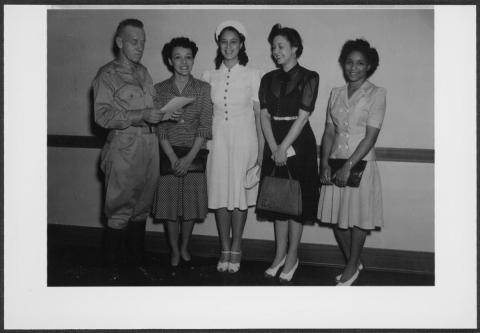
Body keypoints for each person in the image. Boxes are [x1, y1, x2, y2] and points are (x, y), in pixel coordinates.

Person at [92, 19, 177, 281]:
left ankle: (135, 266)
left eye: (143, 42)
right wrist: (142, 114)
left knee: (141, 209)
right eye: (134, 41)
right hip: (123, 148)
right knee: (119, 211)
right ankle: (111, 273)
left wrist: (165, 114)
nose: (140, 47)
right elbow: (102, 115)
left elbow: (150, 110)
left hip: (149, 148)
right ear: (120, 42)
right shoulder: (107, 75)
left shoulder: (144, 73)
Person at [317, 39, 386, 286]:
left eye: (360, 63)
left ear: (369, 66)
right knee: (337, 220)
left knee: (356, 219)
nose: (354, 67)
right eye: (349, 62)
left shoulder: (377, 93)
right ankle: (353, 262)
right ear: (343, 64)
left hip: (361, 164)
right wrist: (324, 162)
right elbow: (328, 131)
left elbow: (371, 136)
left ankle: (352, 265)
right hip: (334, 162)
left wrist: (348, 166)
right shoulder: (335, 93)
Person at [257, 24, 319, 282]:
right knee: (277, 200)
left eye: (281, 46)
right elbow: (263, 115)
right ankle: (279, 253)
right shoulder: (267, 79)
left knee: (296, 203)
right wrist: (273, 148)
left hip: (298, 142)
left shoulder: (309, 76)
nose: (276, 51)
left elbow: (303, 118)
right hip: (274, 141)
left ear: (295, 48)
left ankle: (293, 255)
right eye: (273, 47)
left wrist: (284, 148)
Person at [202, 20, 264, 273]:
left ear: (241, 45)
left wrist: (261, 152)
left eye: (234, 42)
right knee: (220, 194)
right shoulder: (208, 76)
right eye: (224, 42)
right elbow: (203, 113)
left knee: (239, 195)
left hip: (244, 140)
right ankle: (224, 247)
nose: (229, 47)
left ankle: (236, 247)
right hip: (217, 141)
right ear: (218, 44)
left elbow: (260, 117)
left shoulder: (253, 75)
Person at [153, 37, 213, 267]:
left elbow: (205, 126)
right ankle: (175, 250)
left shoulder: (203, 88)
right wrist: (172, 158)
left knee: (189, 208)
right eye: (178, 57)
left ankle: (185, 246)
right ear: (170, 61)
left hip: (194, 154)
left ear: (193, 59)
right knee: (169, 209)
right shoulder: (159, 89)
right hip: (168, 153)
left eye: (188, 57)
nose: (183, 62)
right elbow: (159, 129)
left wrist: (187, 159)